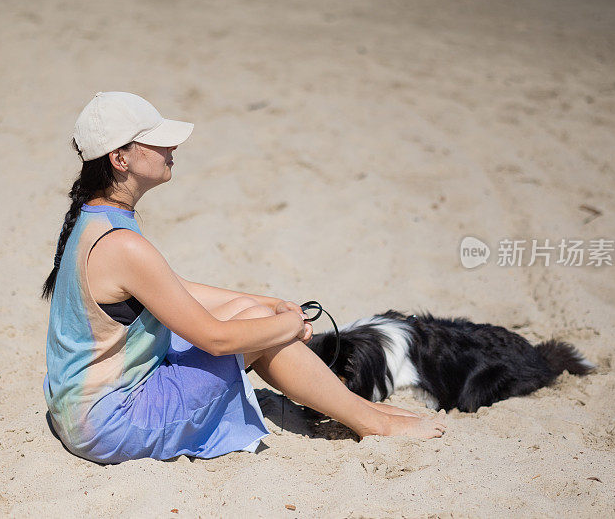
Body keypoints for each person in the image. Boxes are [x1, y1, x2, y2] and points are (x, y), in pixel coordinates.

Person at [42, 91, 446, 464]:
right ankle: (370, 420)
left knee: (249, 313)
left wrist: (269, 304)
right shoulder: (124, 245)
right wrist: (288, 324)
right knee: (258, 333)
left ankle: (359, 410)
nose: (172, 147)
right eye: (157, 141)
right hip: (112, 423)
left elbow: (174, 288)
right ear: (120, 158)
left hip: (79, 406)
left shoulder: (93, 217)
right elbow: (216, 340)